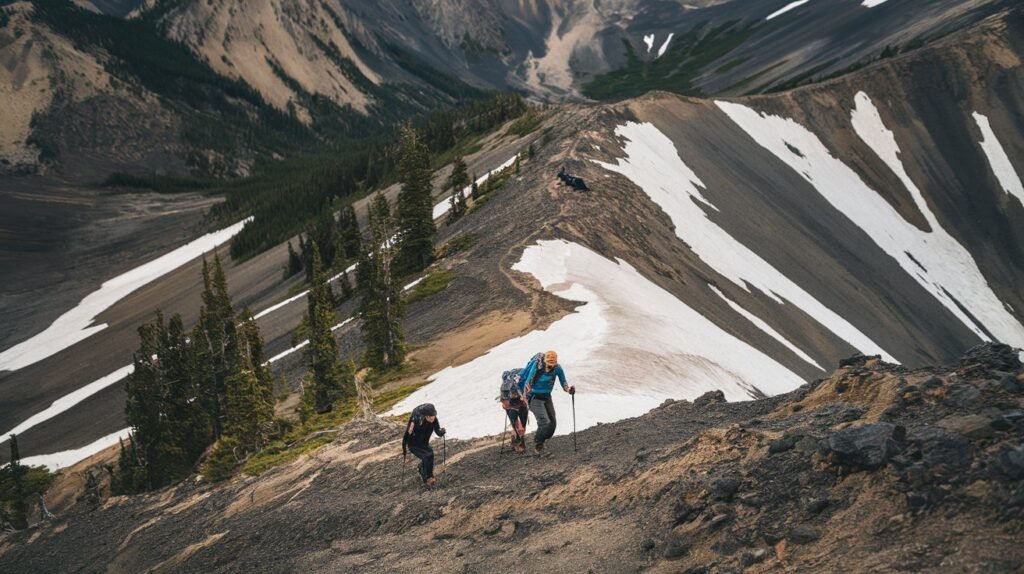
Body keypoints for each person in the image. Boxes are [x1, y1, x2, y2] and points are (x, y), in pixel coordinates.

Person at [518, 350, 575, 453]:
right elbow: (528, 381)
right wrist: (525, 397)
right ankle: (538, 444)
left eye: (553, 364)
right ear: (545, 361)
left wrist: (569, 390)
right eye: (549, 363)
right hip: (534, 398)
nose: (550, 366)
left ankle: (542, 439)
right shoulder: (538, 367)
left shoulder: (557, 368)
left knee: (552, 424)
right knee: (544, 421)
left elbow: (563, 382)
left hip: (547, 397)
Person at [402, 403, 446, 486]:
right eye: (430, 417)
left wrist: (442, 432)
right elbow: (406, 435)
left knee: (430, 454)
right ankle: (427, 478)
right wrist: (404, 450)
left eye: (433, 416)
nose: (432, 418)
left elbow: (438, 432)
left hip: (424, 442)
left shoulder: (434, 419)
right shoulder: (415, 420)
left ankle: (423, 470)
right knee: (426, 456)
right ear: (425, 416)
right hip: (413, 444)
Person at [500, 369, 529, 454]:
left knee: (523, 424)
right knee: (516, 424)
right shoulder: (504, 388)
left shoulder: (521, 382)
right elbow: (506, 404)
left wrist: (525, 400)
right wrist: (518, 425)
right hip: (511, 406)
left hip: (521, 402)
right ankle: (518, 441)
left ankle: (521, 439)